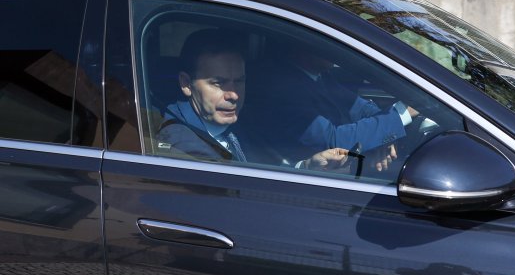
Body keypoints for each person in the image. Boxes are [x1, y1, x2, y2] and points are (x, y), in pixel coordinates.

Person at [155, 29, 353, 171]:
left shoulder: (242, 123)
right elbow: (240, 194)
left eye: (239, 81)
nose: (233, 94)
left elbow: (266, 170)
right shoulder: (181, 145)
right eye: (218, 83)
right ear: (186, 84)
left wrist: (308, 166)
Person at [242, 42, 430, 170]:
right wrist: (402, 114)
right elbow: (333, 140)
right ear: (303, 44)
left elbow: (360, 108)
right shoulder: (281, 89)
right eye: (324, 41)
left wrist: (385, 136)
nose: (334, 48)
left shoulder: (318, 75)